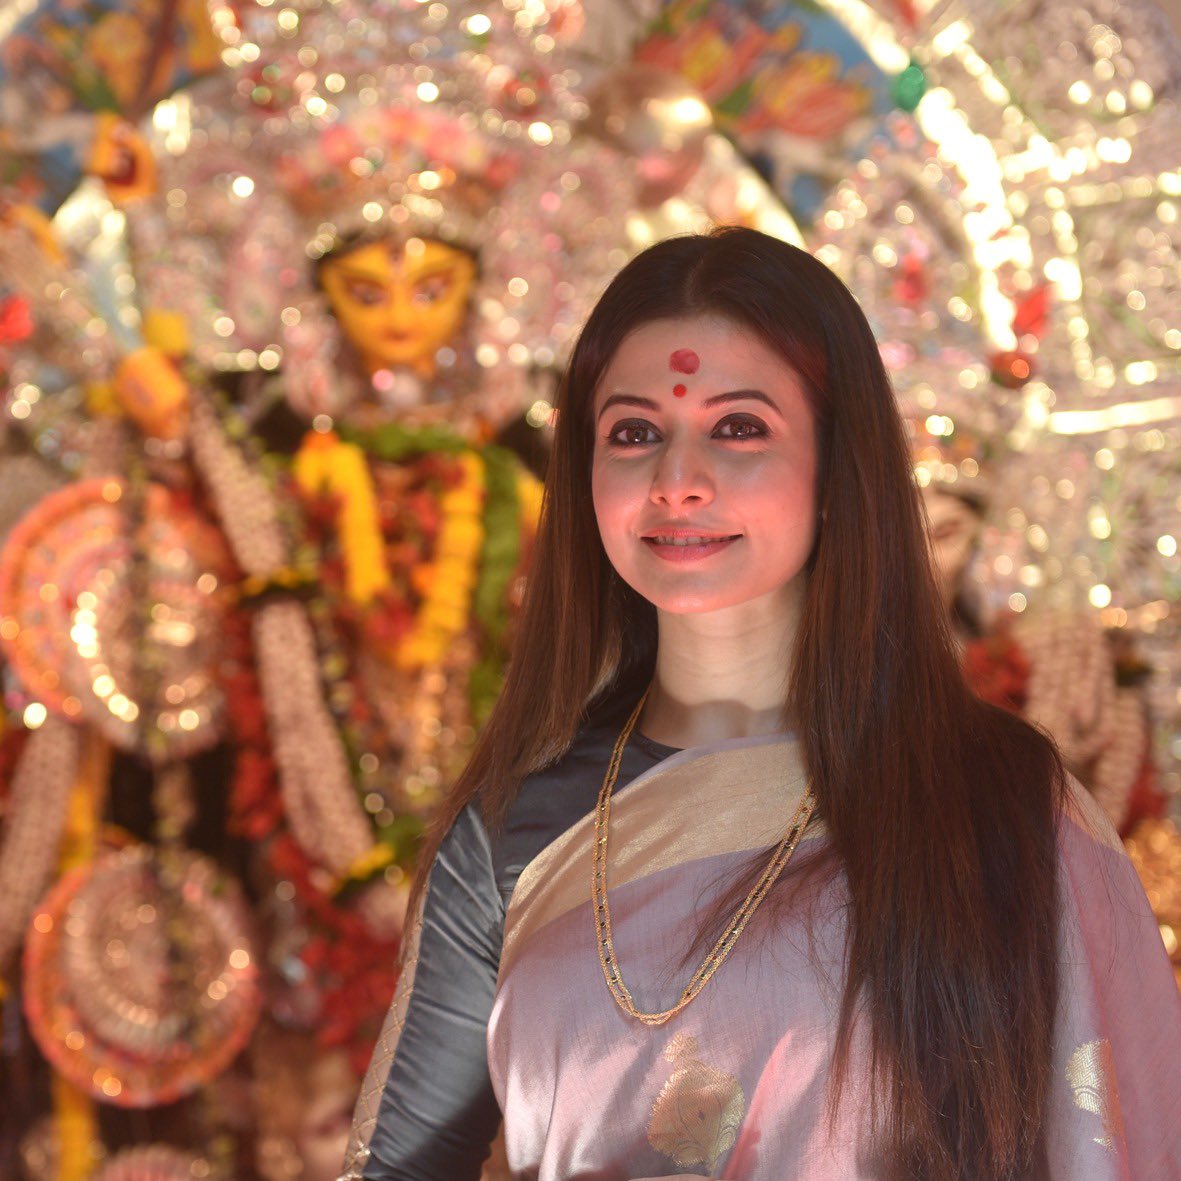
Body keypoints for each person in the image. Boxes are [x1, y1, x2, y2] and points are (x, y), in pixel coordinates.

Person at [340, 226, 1181, 1181]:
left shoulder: (1003, 808)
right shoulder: (513, 829)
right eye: (633, 432)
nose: (676, 481)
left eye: (738, 428)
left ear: (837, 468)